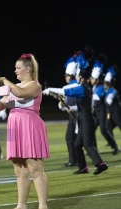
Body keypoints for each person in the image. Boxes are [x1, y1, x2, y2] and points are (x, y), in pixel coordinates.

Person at [0, 53, 50, 209]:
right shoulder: (13, 87)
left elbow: (21, 93)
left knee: (35, 168)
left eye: (18, 68)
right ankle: (21, 206)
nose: (15, 71)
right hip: (15, 126)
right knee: (20, 169)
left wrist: (5, 81)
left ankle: (43, 207)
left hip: (30, 125)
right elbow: (1, 106)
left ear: (28, 69)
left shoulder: (35, 85)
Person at [44, 47, 108, 175]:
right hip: (82, 119)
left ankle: (101, 164)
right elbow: (72, 102)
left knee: (88, 144)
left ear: (81, 76)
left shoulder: (83, 88)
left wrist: (50, 89)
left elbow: (66, 91)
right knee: (78, 145)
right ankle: (83, 167)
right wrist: (63, 103)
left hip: (87, 119)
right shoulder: (82, 87)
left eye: (78, 75)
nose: (76, 77)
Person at [90, 55, 120, 155]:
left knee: (103, 130)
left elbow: (97, 98)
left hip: (102, 111)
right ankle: (93, 148)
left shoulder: (101, 88)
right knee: (91, 129)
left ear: (98, 80)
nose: (91, 79)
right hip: (96, 111)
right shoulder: (94, 87)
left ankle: (115, 146)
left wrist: (85, 95)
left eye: (93, 78)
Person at [60, 53, 79, 167]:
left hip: (76, 114)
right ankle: (74, 160)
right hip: (73, 114)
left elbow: (71, 103)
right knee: (71, 137)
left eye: (66, 75)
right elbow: (67, 104)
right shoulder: (71, 85)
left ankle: (76, 160)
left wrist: (64, 105)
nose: (65, 77)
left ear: (70, 75)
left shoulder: (72, 85)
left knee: (76, 138)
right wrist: (62, 104)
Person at [104, 66, 121, 132]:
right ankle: (111, 142)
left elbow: (109, 100)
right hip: (111, 113)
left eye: (106, 83)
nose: (104, 85)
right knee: (107, 128)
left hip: (117, 113)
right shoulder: (107, 91)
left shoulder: (112, 90)